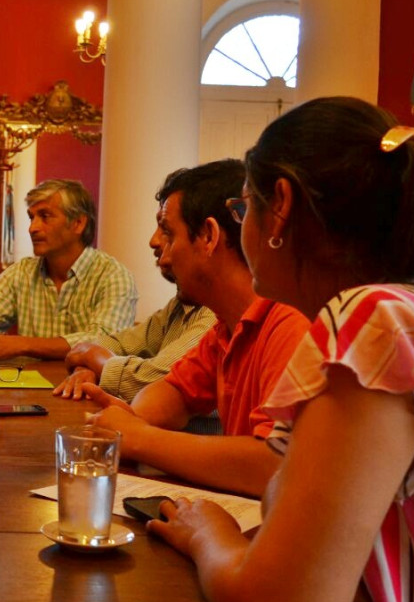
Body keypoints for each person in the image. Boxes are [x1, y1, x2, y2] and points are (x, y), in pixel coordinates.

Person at [147, 98, 414, 602]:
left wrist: (205, 532)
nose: (241, 224)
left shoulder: (372, 320)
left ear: (281, 208)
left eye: (243, 206)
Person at [81, 161, 309, 497]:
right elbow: (171, 395)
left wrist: (139, 438)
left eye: (170, 234)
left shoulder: (289, 322)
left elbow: (272, 465)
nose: (163, 252)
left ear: (209, 237)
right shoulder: (225, 326)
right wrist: (128, 420)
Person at [56, 163, 230, 403]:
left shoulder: (218, 313)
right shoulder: (182, 305)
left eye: (167, 230)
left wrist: (98, 363)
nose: (154, 241)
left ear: (209, 237)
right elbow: (113, 344)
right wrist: (88, 366)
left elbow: (156, 384)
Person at [0, 179, 137, 364]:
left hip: (87, 390)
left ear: (78, 223)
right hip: (28, 388)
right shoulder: (21, 272)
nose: (33, 228)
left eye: (45, 216)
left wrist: (22, 344)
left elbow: (105, 341)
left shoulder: (113, 276)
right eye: (31, 217)